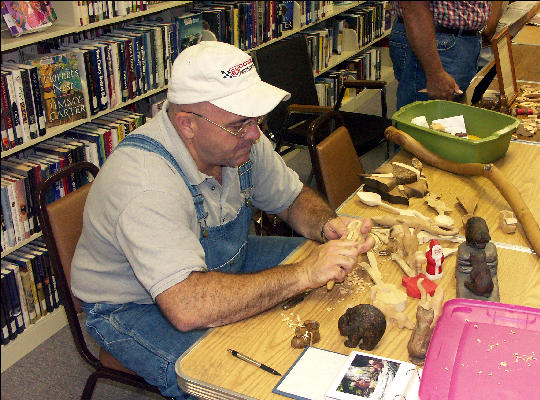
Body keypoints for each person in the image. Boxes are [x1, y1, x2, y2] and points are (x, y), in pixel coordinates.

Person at [70, 41, 375, 399]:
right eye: (241, 123)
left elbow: (291, 200)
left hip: (213, 265)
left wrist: (327, 225)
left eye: (256, 119)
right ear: (187, 125)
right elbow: (187, 307)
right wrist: (306, 273)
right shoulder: (145, 185)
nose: (255, 133)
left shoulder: (239, 141)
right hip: (137, 303)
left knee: (332, 284)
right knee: (231, 379)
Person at [389, 1, 494, 109]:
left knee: (447, 117)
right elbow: (413, 5)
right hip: (434, 42)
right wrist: (435, 73)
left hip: (452, 43)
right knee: (426, 119)